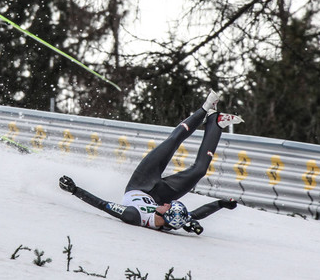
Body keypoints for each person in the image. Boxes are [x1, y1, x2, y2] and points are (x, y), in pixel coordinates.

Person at [59, 91, 243, 234]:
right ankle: (214, 121)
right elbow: (196, 214)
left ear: (163, 216)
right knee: (199, 171)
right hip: (158, 194)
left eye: (168, 206)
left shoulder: (133, 216)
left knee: (171, 143)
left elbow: (102, 204)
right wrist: (221, 204)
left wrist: (75, 190)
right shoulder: (173, 220)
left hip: (139, 185)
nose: (168, 204)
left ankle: (204, 109)